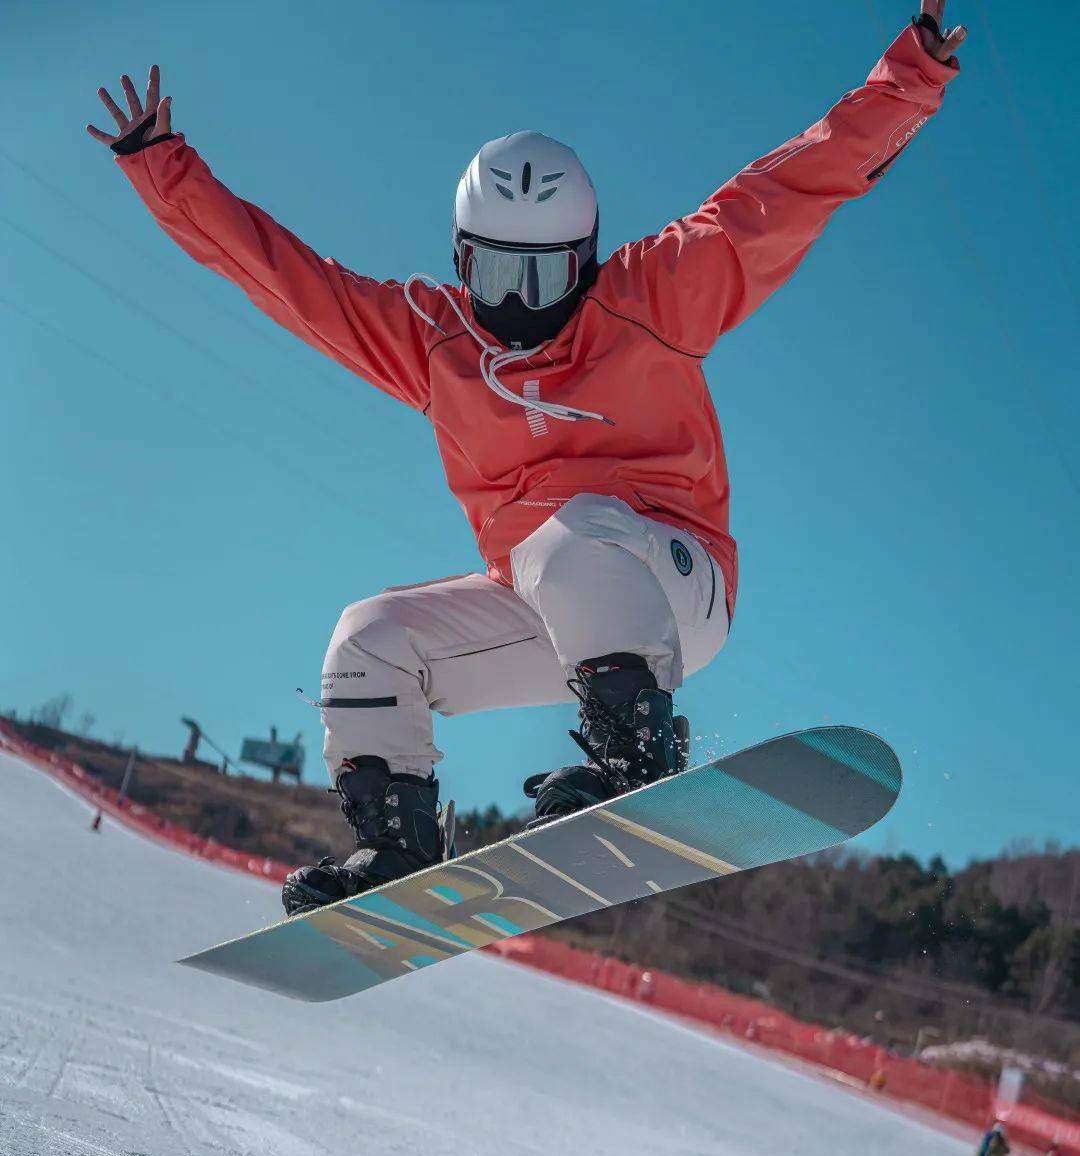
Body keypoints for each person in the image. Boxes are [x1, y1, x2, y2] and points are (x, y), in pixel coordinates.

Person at [88, 8, 966, 915]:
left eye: (542, 279)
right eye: (496, 277)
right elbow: (288, 279)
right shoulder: (434, 338)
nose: (517, 306)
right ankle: (399, 841)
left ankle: (635, 753)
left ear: (585, 262)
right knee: (366, 641)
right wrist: (163, 171)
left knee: (568, 535)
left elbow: (792, 190)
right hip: (550, 609)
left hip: (671, 585)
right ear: (461, 259)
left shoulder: (656, 292)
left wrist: (912, 75)